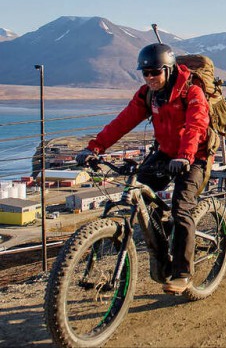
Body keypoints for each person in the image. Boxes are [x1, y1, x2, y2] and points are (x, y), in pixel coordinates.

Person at [75, 43, 210, 295]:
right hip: (166, 154)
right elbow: (122, 122)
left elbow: (196, 125)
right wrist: (95, 148)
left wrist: (185, 156)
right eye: (145, 73)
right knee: (140, 192)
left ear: (168, 70)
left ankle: (182, 273)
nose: (150, 78)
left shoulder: (191, 92)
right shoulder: (147, 94)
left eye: (154, 72)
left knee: (181, 209)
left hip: (195, 156)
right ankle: (162, 243)